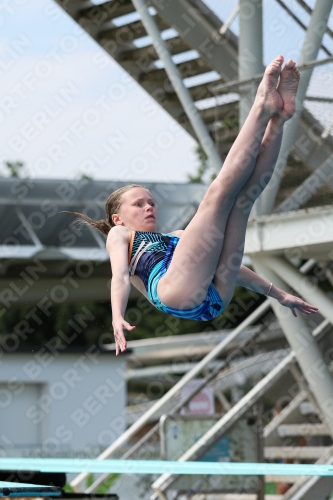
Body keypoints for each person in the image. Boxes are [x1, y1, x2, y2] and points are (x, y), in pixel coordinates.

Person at [74, 56, 318, 355]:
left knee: (243, 201)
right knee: (217, 195)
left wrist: (278, 295)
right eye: (138, 204)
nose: (149, 207)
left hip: (210, 299)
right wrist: (116, 316)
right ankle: (262, 106)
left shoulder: (178, 237)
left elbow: (234, 269)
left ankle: (280, 118)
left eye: (151, 202)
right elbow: (120, 277)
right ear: (118, 218)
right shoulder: (120, 236)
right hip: (180, 295)